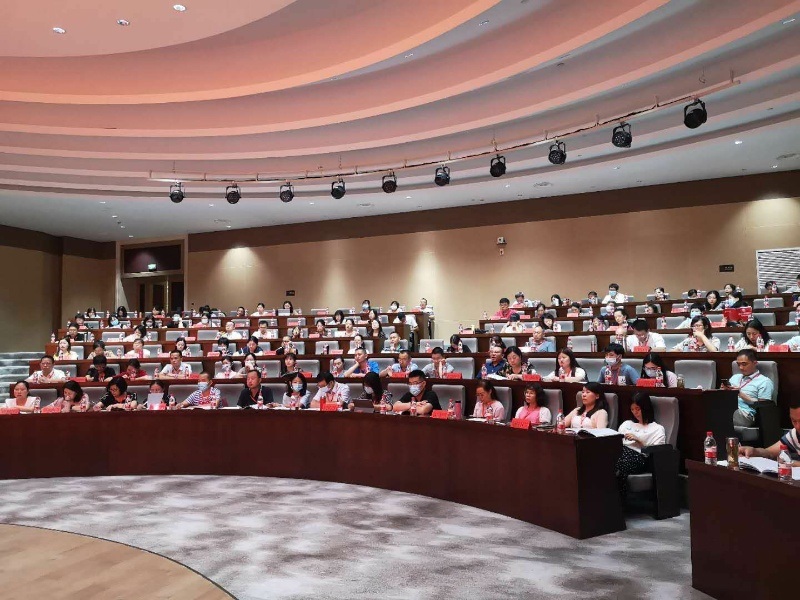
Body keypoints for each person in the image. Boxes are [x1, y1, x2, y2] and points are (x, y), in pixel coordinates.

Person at [616, 392, 667, 496]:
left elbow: (658, 453)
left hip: (639, 457)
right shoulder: (626, 424)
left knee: (618, 464)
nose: (635, 412)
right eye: (632, 409)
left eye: (638, 409)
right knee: (607, 461)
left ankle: (616, 499)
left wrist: (639, 440)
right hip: (621, 452)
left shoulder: (657, 428)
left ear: (645, 408)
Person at [739, 398, 800, 465]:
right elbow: (770, 453)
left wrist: (794, 464)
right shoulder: (795, 434)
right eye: (794, 421)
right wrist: (754, 451)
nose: (797, 426)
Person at [723, 349, 775, 427]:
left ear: (755, 363)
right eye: (738, 364)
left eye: (744, 364)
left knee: (720, 411)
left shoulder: (764, 382)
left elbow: (764, 407)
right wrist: (723, 392)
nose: (740, 367)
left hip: (746, 414)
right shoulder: (735, 377)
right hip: (729, 407)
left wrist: (741, 395)